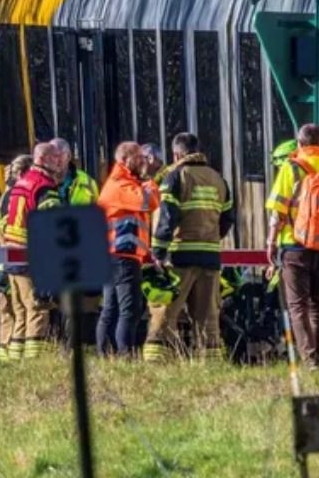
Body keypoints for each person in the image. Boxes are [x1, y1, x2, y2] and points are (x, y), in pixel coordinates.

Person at [265, 124, 319, 368]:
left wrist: (271, 242)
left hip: (295, 245)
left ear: (300, 144)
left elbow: (278, 211)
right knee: (318, 305)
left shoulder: (291, 167)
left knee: (297, 305)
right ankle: (318, 355)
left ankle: (310, 359)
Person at [145, 133, 234, 362]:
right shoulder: (218, 179)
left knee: (166, 309)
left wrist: (158, 252)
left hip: (180, 255)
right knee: (208, 314)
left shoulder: (176, 176)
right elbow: (228, 218)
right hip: (210, 257)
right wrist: (212, 237)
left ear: (176, 154)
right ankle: (210, 360)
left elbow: (167, 218)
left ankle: (157, 358)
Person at [95, 142, 159, 358]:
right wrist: (150, 180)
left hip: (116, 256)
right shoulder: (120, 185)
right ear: (125, 159)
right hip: (122, 257)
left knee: (111, 309)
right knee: (129, 310)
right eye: (138, 157)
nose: (143, 161)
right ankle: (125, 355)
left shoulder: (123, 184)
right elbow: (149, 202)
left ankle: (107, 354)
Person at [1, 142, 63, 358]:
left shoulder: (22, 183)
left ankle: (14, 359)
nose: (59, 162)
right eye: (55, 157)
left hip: (12, 256)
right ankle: (34, 360)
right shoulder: (44, 186)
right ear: (43, 159)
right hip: (31, 257)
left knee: (20, 312)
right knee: (38, 309)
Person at [0, 154, 34, 360]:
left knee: (10, 311)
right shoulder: (20, 194)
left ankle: (7, 355)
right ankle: (16, 354)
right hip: (15, 262)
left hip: (4, 263)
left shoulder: (6, 195)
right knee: (21, 310)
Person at [50, 137, 98, 205]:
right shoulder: (39, 183)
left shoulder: (87, 182)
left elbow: (97, 208)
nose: (56, 160)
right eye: (53, 156)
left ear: (69, 156)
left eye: (60, 155)